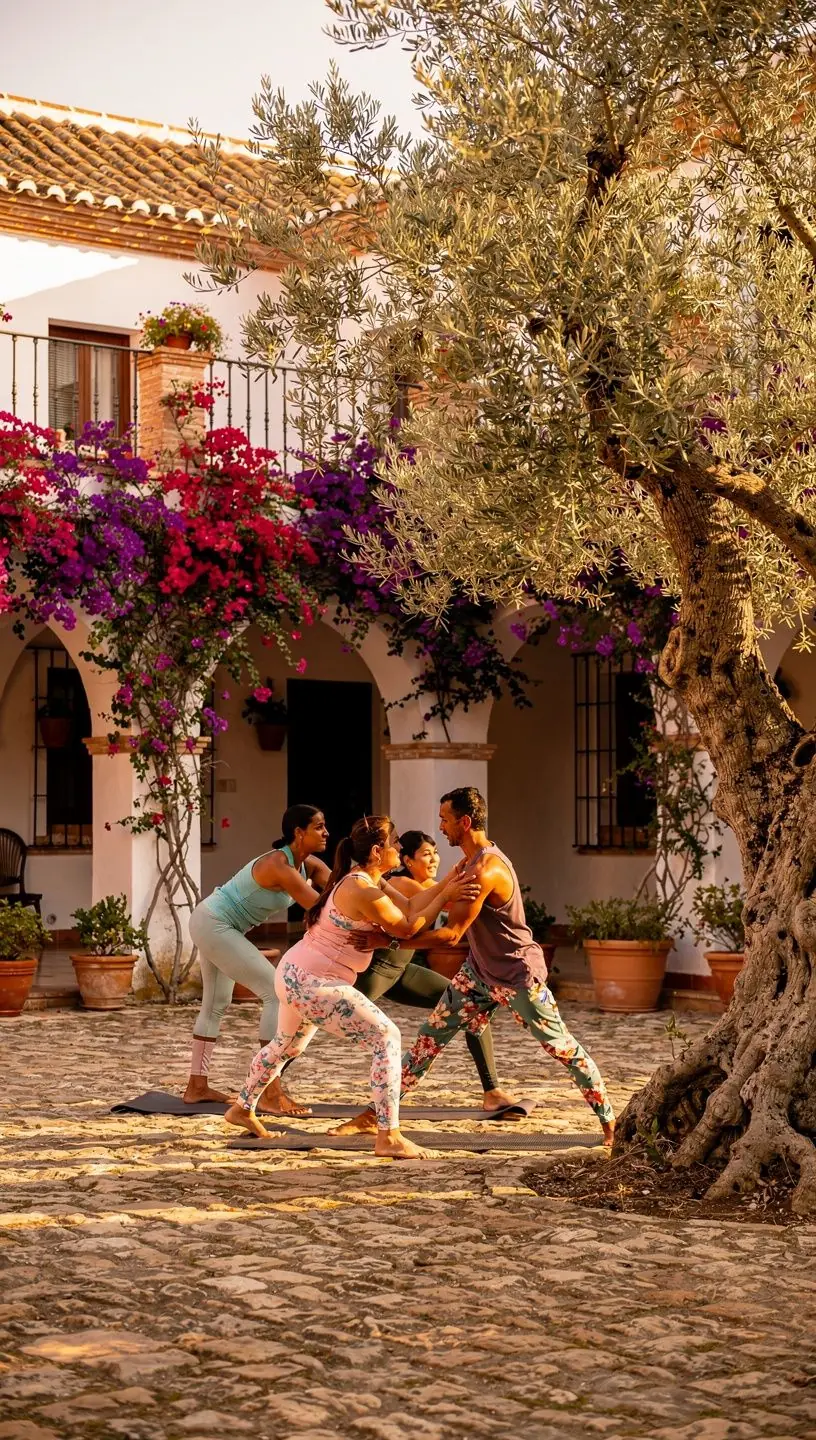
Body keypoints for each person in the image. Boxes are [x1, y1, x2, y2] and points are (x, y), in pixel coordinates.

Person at [332, 788, 616, 1146]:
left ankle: (610, 1123)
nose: (440, 826)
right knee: (427, 1041)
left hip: (516, 976)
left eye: (445, 820)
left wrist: (389, 941)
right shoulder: (466, 865)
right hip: (479, 973)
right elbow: (436, 904)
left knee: (562, 1048)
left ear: (464, 822)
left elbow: (451, 935)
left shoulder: (485, 869)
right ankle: (375, 1116)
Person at [224, 815, 480, 1159]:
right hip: (313, 981)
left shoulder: (369, 880)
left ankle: (242, 1108)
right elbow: (406, 929)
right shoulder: (360, 888)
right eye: (394, 845)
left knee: (286, 1046)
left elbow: (409, 906)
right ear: (377, 851)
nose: (399, 849)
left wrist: (449, 880)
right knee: (386, 1037)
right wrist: (447, 891)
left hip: (295, 973)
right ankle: (388, 1135)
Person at [184, 804, 335, 1116]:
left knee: (216, 1004)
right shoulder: (279, 865)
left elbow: (340, 893)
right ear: (298, 832)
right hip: (215, 923)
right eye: (319, 827)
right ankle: (269, 1091)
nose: (326, 832)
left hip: (217, 924)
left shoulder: (310, 865)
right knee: (276, 993)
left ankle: (196, 1087)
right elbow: (322, 910)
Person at [355, 829, 518, 1114]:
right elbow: (439, 900)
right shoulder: (403, 883)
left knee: (470, 1007)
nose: (433, 859)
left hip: (403, 972)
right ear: (406, 860)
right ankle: (272, 1084)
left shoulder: (432, 885)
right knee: (313, 1021)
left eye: (435, 852)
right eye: (425, 855)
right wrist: (462, 882)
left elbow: (450, 896)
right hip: (376, 971)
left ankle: (491, 1090)